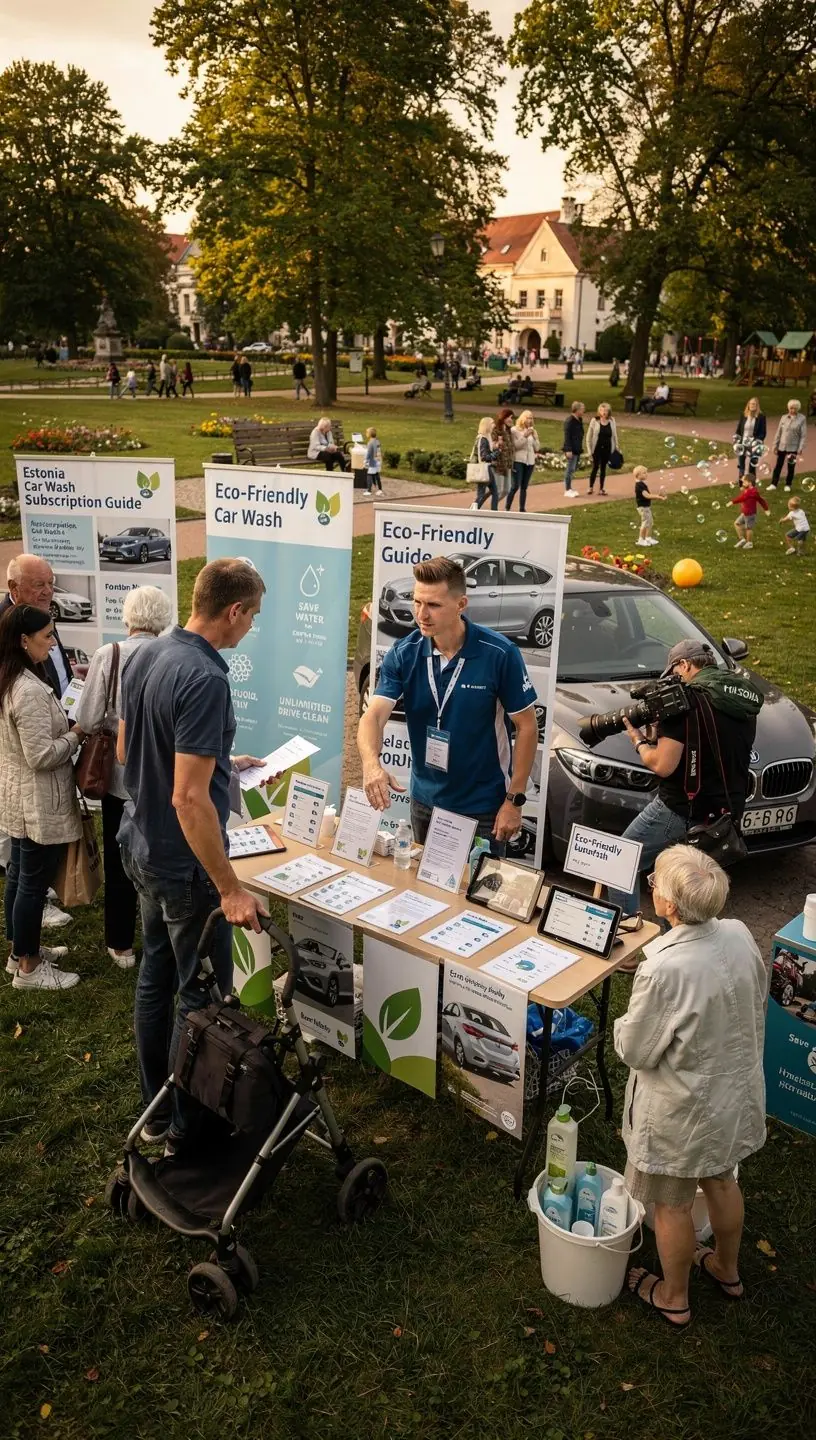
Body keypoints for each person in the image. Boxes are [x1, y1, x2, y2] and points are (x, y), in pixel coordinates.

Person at [117, 559, 269, 1147]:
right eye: (252, 615)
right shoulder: (207, 677)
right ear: (233, 611)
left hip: (141, 846)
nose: (250, 626)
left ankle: (155, 1111)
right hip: (184, 868)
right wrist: (229, 888)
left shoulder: (149, 653)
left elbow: (137, 748)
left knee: (156, 978)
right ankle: (189, 1126)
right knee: (200, 997)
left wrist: (222, 765)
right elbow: (188, 799)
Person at [617, 845, 766, 1328]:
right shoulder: (740, 935)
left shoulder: (664, 968)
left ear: (670, 906)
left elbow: (637, 1050)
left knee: (671, 1203)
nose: (651, 889)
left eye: (654, 882)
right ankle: (727, 1267)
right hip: (731, 1095)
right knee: (722, 1179)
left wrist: (622, 1026)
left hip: (680, 1109)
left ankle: (673, 1295)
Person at [357, 555, 539, 855]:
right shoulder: (404, 653)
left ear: (461, 605)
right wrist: (370, 765)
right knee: (424, 895)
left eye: (434, 605)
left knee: (478, 897)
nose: (421, 614)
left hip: (483, 808)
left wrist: (514, 800)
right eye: (417, 602)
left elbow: (527, 726)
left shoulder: (499, 653)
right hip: (425, 802)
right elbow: (373, 716)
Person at [606, 638, 762, 919]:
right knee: (683, 887)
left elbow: (663, 765)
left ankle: (626, 936)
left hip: (680, 808)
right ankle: (679, 947)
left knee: (620, 860)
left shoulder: (680, 702)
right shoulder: (739, 698)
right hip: (724, 812)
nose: (675, 679)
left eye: (675, 671)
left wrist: (639, 742)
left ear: (685, 664)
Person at [73, 586, 173, 969]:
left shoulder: (108, 655)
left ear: (127, 615)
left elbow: (87, 718)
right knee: (158, 856)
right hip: (162, 773)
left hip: (118, 776)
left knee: (119, 861)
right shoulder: (172, 654)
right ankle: (161, 932)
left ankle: (120, 944)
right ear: (162, 618)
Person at [0, 604, 86, 991]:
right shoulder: (28, 690)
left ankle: (19, 952)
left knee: (19, 875)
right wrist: (76, 735)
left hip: (20, 796)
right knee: (31, 882)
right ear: (23, 640)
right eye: (46, 636)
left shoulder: (12, 676)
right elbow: (40, 755)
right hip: (36, 798)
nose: (52, 644)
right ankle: (30, 968)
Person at [1, 555, 73, 699]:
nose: (48, 592)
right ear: (14, 588)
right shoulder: (4, 624)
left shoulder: (39, 610)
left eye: (51, 583)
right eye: (39, 585)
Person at [770, 399, 807, 491]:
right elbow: (778, 432)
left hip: (793, 447)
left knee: (791, 467)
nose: (792, 410)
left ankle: (788, 484)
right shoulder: (783, 417)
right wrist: (775, 445)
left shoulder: (802, 418)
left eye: (795, 408)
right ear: (788, 408)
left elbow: (803, 435)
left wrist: (800, 447)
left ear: (798, 409)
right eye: (791, 408)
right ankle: (773, 484)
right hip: (782, 446)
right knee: (778, 465)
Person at [507, 410, 539, 512]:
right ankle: (507, 507)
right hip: (518, 460)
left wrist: (535, 437)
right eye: (528, 418)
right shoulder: (514, 430)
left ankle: (522, 508)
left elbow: (537, 448)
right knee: (515, 486)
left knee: (524, 487)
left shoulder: (533, 431)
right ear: (522, 418)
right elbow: (515, 446)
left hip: (530, 461)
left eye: (531, 418)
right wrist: (524, 436)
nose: (530, 420)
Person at [585, 402, 618, 495]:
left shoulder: (612, 420)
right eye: (601, 410)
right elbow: (588, 437)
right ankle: (590, 487)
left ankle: (601, 488)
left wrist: (616, 447)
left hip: (607, 448)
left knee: (603, 468)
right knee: (595, 467)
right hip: (597, 447)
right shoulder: (594, 420)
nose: (603, 412)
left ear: (609, 411)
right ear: (599, 411)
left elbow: (615, 435)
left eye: (605, 410)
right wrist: (589, 450)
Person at [731, 474, 769, 550]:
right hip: (745, 513)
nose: (743, 483)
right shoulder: (747, 490)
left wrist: (766, 509)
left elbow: (760, 500)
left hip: (750, 514)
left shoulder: (752, 492)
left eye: (744, 482)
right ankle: (742, 539)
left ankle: (749, 543)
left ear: (750, 483)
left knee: (748, 528)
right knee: (737, 523)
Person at [733, 397, 766, 481]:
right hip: (742, 443)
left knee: (752, 466)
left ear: (757, 406)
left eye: (754, 404)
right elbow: (739, 430)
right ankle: (741, 484)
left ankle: (752, 485)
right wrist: (736, 440)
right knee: (741, 466)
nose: (752, 405)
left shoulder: (761, 417)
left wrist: (756, 442)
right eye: (751, 404)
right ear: (748, 405)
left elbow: (763, 433)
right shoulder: (743, 415)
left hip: (754, 444)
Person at [471, 417, 499, 511]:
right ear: (487, 425)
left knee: (493, 491)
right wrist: (496, 454)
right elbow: (484, 457)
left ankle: (476, 510)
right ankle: (473, 510)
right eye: (492, 423)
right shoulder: (483, 439)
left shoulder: (484, 438)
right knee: (485, 493)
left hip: (485, 468)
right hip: (483, 469)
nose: (494, 425)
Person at [633, 465, 665, 546]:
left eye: (646, 472)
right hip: (643, 507)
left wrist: (658, 495)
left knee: (650, 522)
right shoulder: (639, 485)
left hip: (646, 507)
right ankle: (641, 539)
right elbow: (646, 495)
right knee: (645, 522)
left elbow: (648, 495)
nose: (646, 474)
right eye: (644, 473)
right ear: (638, 475)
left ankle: (648, 537)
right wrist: (658, 497)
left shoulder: (642, 484)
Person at [491, 407, 515, 502]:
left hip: (507, 464)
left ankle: (492, 507)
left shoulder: (508, 431)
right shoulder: (496, 429)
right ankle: (489, 508)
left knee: (506, 490)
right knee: (498, 490)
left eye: (512, 417)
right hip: (498, 464)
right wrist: (497, 444)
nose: (511, 420)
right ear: (504, 417)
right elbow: (492, 445)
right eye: (509, 417)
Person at [562, 400, 584, 497]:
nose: (583, 411)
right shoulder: (569, 421)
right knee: (570, 469)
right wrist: (568, 449)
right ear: (577, 410)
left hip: (577, 448)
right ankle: (567, 489)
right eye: (582, 409)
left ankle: (570, 487)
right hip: (571, 449)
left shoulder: (579, 420)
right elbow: (567, 436)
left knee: (573, 468)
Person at [364, 427, 384, 497]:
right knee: (376, 475)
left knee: (369, 475)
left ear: (369, 434)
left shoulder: (370, 443)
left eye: (366, 432)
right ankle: (380, 489)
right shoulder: (377, 441)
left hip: (372, 461)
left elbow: (369, 453)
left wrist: (366, 460)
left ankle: (369, 490)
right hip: (378, 461)